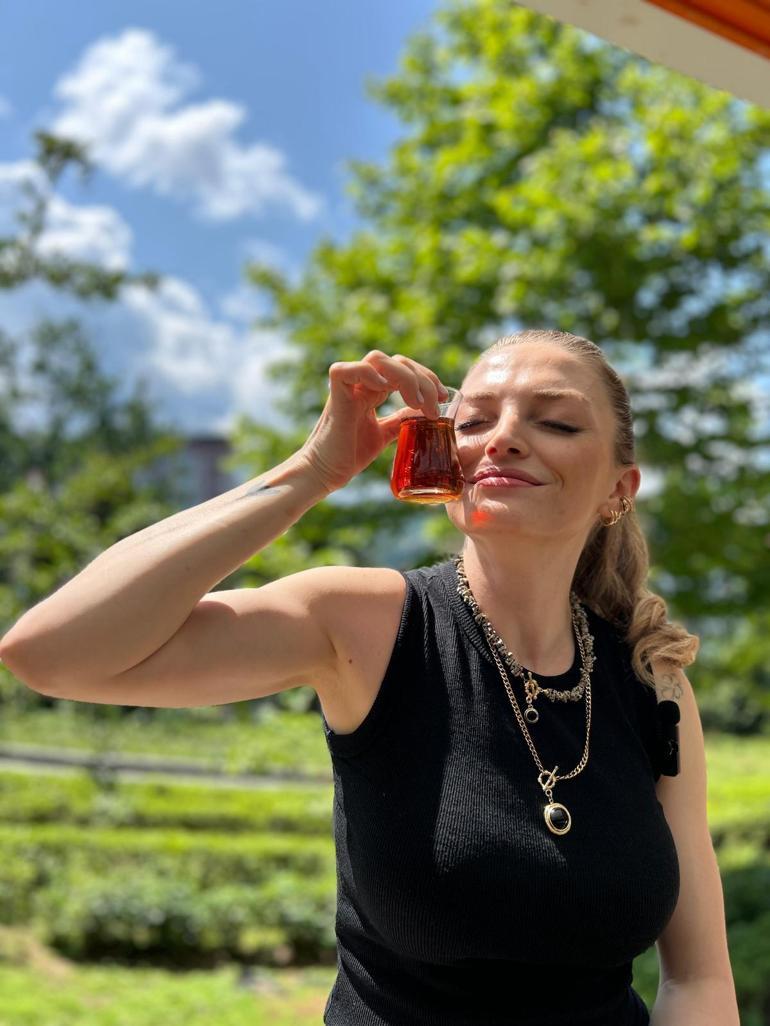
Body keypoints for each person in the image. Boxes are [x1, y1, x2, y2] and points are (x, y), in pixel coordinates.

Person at [0, 328, 739, 1025]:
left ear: (619, 487)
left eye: (557, 423)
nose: (503, 437)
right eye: (473, 420)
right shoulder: (366, 624)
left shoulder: (653, 681)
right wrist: (313, 470)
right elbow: (51, 652)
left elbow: (698, 979)